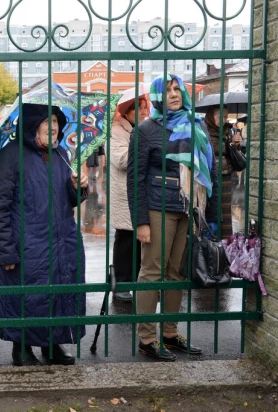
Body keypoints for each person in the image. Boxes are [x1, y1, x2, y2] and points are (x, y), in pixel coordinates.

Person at [0, 103, 88, 367]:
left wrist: (78, 188)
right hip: (27, 242)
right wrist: (5, 249)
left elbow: (69, 200)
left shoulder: (62, 154)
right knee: (28, 296)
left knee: (58, 293)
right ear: (33, 125)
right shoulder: (11, 155)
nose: (53, 126)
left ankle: (53, 345)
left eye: (55, 121)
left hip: (62, 239)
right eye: (46, 121)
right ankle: (22, 347)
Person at [127, 74, 218, 361]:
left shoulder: (195, 124)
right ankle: (146, 338)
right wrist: (141, 221)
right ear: (156, 98)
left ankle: (169, 333)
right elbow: (135, 178)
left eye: (178, 89)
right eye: (167, 91)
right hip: (157, 208)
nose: (175, 95)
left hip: (187, 208)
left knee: (177, 271)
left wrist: (210, 214)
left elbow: (207, 168)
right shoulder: (145, 129)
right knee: (152, 271)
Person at [110, 96, 150, 302]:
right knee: (125, 240)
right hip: (125, 193)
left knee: (140, 241)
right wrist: (142, 145)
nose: (144, 111)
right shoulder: (118, 130)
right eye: (139, 108)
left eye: (145, 107)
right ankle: (120, 283)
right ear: (127, 111)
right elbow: (121, 160)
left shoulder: (144, 129)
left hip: (142, 192)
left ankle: (136, 282)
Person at [204, 106, 244, 238]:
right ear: (211, 116)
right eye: (219, 116)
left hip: (226, 176)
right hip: (209, 178)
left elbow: (232, 156)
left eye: (226, 116)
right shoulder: (203, 131)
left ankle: (225, 244)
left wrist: (235, 145)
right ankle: (209, 242)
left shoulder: (228, 132)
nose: (223, 119)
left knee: (225, 211)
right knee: (211, 210)